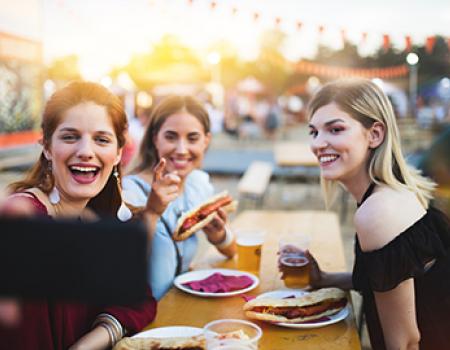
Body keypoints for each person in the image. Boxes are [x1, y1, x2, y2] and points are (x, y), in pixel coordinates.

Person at [0, 81, 157, 350]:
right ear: (47, 147)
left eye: (101, 139)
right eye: (70, 136)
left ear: (118, 153)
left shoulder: (94, 221)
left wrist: (89, 342)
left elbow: (139, 298)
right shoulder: (24, 222)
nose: (85, 151)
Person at [304, 78, 450, 350]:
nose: (318, 144)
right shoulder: (394, 191)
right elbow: (392, 278)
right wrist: (323, 278)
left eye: (335, 129)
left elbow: (406, 342)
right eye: (313, 132)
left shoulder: (378, 211)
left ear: (375, 134)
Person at [122, 95, 237, 300]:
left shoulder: (198, 184)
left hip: (179, 307)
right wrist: (151, 212)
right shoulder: (130, 192)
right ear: (155, 138)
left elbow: (231, 251)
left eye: (192, 138)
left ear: (206, 141)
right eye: (171, 137)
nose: (182, 149)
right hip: (140, 319)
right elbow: (123, 264)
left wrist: (219, 236)